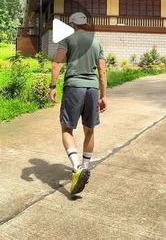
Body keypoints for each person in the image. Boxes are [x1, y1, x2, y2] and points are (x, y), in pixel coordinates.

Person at [50, 12, 107, 195]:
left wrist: (52, 86)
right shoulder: (96, 42)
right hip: (92, 89)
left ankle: (77, 167)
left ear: (72, 24)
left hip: (74, 87)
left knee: (67, 129)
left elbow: (57, 63)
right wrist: (103, 95)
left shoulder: (67, 38)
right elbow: (102, 72)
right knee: (89, 130)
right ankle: (86, 166)